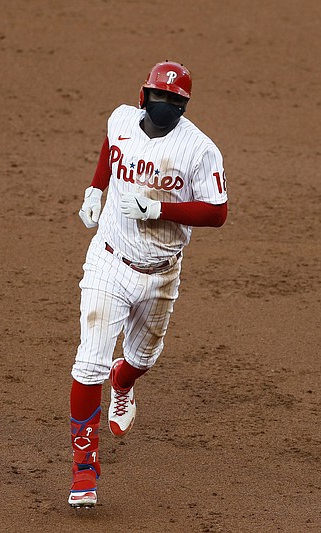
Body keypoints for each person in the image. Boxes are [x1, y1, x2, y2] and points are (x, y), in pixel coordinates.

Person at [67, 60, 229, 508]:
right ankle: (85, 467)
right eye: (160, 98)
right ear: (144, 97)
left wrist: (160, 210)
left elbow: (217, 211)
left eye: (175, 102)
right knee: (88, 364)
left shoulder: (199, 150)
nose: (165, 106)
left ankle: (125, 379)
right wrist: (96, 190)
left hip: (161, 273)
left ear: (185, 106)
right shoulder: (121, 118)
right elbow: (111, 147)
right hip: (109, 260)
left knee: (142, 357)